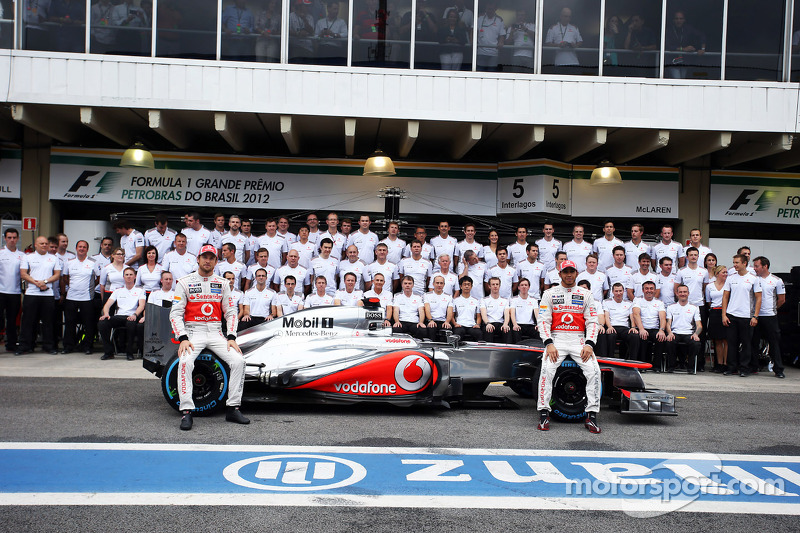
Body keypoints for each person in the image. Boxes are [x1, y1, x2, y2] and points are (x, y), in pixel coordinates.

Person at [169, 244, 248, 430]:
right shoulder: (184, 282)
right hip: (193, 332)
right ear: (198, 259)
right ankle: (187, 411)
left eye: (211, 258)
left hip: (216, 333)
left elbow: (230, 312)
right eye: (204, 257)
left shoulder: (222, 283)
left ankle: (233, 408)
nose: (207, 260)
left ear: (215, 261)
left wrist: (231, 337)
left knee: (239, 361)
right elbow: (175, 313)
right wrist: (183, 338)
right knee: (185, 362)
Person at [537, 259, 600, 433]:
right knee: (546, 370)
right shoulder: (549, 294)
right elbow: (543, 320)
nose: (569, 275)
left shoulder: (586, 294)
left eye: (572, 271)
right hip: (556, 339)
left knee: (594, 371)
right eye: (566, 272)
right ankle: (543, 413)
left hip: (579, 340)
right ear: (560, 274)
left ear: (577, 273)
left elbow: (593, 321)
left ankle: (592, 415)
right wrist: (548, 343)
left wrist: (589, 344)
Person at [17, 236, 62, 355]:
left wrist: (45, 282)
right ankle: (25, 346)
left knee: (48, 321)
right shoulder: (28, 257)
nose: (44, 245)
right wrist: (37, 283)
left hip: (48, 294)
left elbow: (57, 275)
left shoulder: (53, 258)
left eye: (46, 243)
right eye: (41, 243)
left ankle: (49, 346)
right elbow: (23, 274)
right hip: (32, 293)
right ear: (35, 245)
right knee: (28, 321)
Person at [722, 254, 761, 377]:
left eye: (737, 262)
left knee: (746, 343)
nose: (735, 265)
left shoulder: (754, 279)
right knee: (731, 343)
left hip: (747, 316)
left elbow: (759, 298)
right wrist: (724, 314)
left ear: (744, 263)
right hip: (732, 314)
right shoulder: (731, 278)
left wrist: (755, 316)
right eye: (734, 262)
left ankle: (744, 368)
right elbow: (725, 296)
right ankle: (731, 367)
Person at [98, 267, 145, 361]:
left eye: (131, 274)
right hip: (119, 316)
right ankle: (108, 352)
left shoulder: (140, 291)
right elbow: (107, 305)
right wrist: (106, 314)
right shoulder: (117, 291)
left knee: (131, 325)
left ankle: (129, 352)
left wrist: (135, 315)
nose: (129, 277)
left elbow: (141, 306)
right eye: (126, 275)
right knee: (102, 323)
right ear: (123, 277)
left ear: (135, 276)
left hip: (132, 316)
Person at [674, 247, 709, 370]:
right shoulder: (681, 271)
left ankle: (699, 363)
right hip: (685, 305)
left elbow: (705, 288)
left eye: (695, 255)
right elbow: (676, 288)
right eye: (691, 255)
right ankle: (682, 361)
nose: (693, 257)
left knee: (700, 335)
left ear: (698, 257)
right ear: (687, 257)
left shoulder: (704, 271)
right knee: (683, 332)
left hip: (699, 305)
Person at [752, 256, 785, 378]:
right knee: (753, 341)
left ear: (765, 266)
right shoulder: (754, 279)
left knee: (774, 342)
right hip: (755, 315)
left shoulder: (777, 280)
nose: (754, 268)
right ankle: (753, 366)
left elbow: (781, 299)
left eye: (757, 266)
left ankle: (779, 369)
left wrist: (773, 309)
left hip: (770, 316)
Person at [61, 240, 97, 355]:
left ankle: (87, 346)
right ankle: (68, 346)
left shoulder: (93, 262)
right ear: (76, 248)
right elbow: (65, 277)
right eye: (80, 247)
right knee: (70, 322)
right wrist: (71, 286)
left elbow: (99, 278)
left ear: (87, 249)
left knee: (88, 323)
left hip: (87, 298)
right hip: (71, 297)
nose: (82, 249)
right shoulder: (69, 262)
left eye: (84, 247)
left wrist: (91, 287)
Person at [664, 284, 702, 373]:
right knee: (670, 341)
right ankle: (671, 366)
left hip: (689, 333)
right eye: (680, 292)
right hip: (675, 332)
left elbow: (699, 325)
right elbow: (668, 323)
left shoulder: (694, 308)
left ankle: (690, 367)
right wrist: (669, 333)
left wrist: (696, 334)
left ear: (688, 293)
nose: (682, 294)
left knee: (696, 343)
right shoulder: (671, 307)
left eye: (685, 292)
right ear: (677, 293)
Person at [0, 228, 24, 352]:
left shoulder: (22, 255)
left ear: (18, 239)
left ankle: (11, 344)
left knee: (12, 320)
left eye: (14, 237)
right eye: (9, 237)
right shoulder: (1, 253)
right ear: (5, 238)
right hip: (1, 292)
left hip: (14, 292)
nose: (12, 240)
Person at [632, 281, 666, 367]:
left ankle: (657, 366)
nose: (649, 291)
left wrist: (661, 330)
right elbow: (636, 314)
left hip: (655, 329)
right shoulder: (638, 300)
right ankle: (642, 365)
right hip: (642, 327)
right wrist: (641, 329)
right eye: (646, 288)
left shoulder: (659, 302)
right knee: (642, 337)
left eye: (651, 289)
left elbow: (662, 317)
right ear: (643, 290)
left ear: (655, 290)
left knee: (660, 338)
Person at [664, 10, 706, 79]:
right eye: (676, 18)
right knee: (677, 80)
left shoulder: (688, 29)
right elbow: (667, 46)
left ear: (684, 20)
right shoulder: (668, 31)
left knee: (683, 79)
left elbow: (702, 36)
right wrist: (683, 49)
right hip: (672, 61)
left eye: (681, 19)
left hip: (684, 61)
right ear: (673, 20)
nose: (679, 21)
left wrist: (702, 49)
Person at [603, 282, 640, 358]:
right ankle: (610, 362)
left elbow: (632, 317)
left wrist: (633, 327)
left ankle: (633, 362)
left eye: (620, 291)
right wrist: (609, 327)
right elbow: (606, 316)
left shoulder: (629, 303)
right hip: (612, 326)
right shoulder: (606, 302)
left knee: (634, 336)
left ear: (623, 291)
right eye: (616, 291)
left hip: (624, 328)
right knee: (610, 336)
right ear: (612, 292)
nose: (618, 293)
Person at [705, 265, 728, 373]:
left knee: (726, 340)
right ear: (717, 273)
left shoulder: (728, 285)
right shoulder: (710, 286)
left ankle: (726, 363)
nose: (725, 274)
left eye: (726, 272)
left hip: (726, 312)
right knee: (717, 340)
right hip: (714, 311)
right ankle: (718, 364)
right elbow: (708, 300)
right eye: (723, 272)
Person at [315, 0, 348, 65]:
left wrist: (333, 34)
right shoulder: (320, 22)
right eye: (335, 9)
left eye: (337, 9)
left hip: (335, 50)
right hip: (322, 49)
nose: (337, 11)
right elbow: (315, 38)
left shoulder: (341, 22)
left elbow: (345, 34)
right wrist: (321, 35)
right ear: (328, 9)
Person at [475, 1, 504, 72]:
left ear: (495, 8)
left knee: (492, 74)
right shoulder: (479, 18)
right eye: (488, 6)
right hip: (481, 52)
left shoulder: (499, 20)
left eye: (492, 7)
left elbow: (502, 34)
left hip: (493, 53)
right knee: (480, 74)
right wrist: (472, 42)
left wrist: (501, 42)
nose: (490, 8)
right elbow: (473, 31)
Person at [480, 277, 511, 343]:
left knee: (507, 330)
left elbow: (506, 314)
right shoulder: (484, 300)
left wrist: (505, 324)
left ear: (499, 286)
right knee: (488, 330)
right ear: (489, 286)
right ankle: (488, 352)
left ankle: (507, 352)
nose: (495, 286)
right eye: (493, 284)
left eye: (497, 284)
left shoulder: (505, 300)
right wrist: (488, 323)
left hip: (501, 324)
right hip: (489, 323)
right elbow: (483, 314)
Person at [451, 276, 482, 341]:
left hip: (472, 326)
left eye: (468, 284)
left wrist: (477, 324)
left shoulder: (476, 301)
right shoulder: (455, 300)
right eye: (464, 284)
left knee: (479, 333)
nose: (467, 286)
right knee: (457, 334)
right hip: (460, 325)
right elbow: (451, 315)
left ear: (471, 286)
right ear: (460, 286)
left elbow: (478, 316)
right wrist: (455, 324)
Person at [424, 275, 453, 340]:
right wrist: (430, 320)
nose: (439, 285)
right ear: (433, 284)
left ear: (444, 284)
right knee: (431, 329)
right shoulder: (427, 295)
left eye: (441, 283)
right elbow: (427, 309)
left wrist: (447, 322)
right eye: (437, 283)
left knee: (447, 329)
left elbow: (450, 311)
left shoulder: (448, 296)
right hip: (432, 320)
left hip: (443, 321)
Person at [505, 8, 535, 72]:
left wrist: (525, 29)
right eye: (519, 15)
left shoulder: (532, 26)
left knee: (529, 78)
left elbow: (537, 38)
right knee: (516, 77)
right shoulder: (512, 27)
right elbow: (507, 43)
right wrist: (512, 32)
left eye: (522, 15)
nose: (520, 17)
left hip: (529, 55)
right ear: (516, 16)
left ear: (526, 16)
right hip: (516, 55)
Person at [510, 278, 537, 343]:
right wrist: (515, 324)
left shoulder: (533, 300)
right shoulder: (514, 299)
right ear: (518, 287)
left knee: (537, 331)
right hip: (518, 324)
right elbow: (512, 313)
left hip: (530, 325)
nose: (524, 287)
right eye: (522, 285)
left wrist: (538, 324)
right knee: (515, 332)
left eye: (526, 285)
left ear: (529, 287)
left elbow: (537, 313)